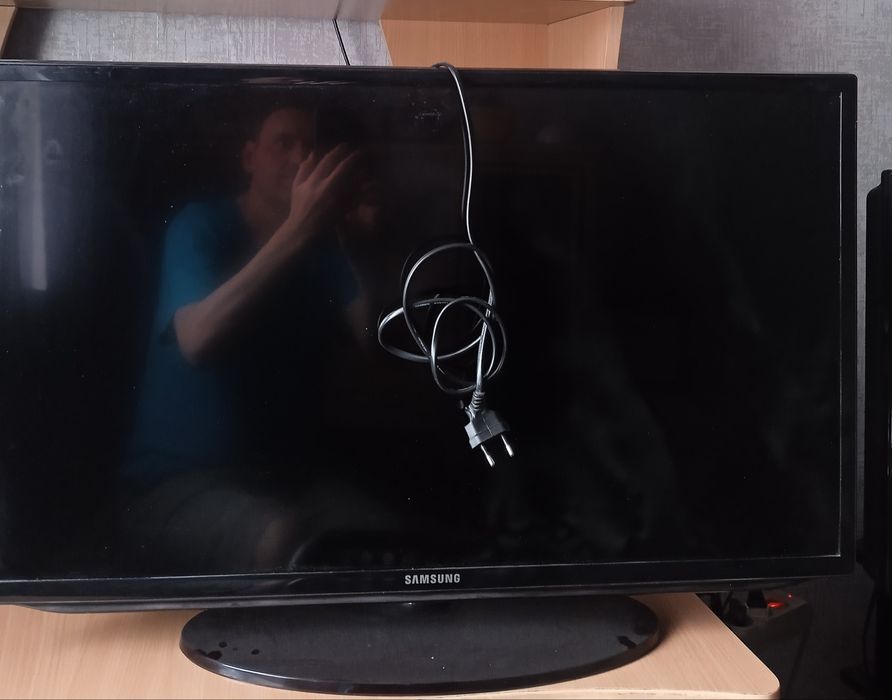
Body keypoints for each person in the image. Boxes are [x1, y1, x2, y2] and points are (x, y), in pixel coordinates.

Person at [119, 102, 387, 572]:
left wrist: (360, 245)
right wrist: (301, 226)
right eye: (284, 143)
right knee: (282, 539)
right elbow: (198, 340)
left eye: (312, 148)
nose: (301, 159)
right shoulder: (200, 225)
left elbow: (379, 351)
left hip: (284, 482)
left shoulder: (326, 249)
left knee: (390, 535)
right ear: (249, 157)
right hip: (173, 484)